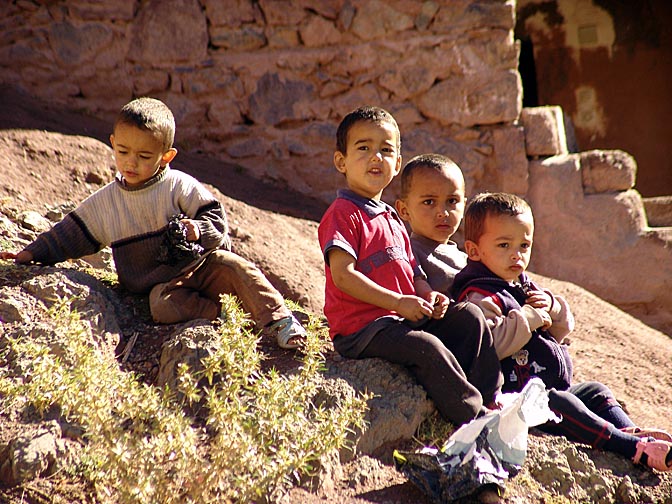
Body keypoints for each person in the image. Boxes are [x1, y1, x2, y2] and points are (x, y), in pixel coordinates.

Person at [396, 171, 672, 472]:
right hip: (518, 399)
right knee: (559, 404)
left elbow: (564, 328)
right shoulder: (478, 294)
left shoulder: (521, 284)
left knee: (595, 391)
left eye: (523, 246)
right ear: (474, 251)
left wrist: (553, 308)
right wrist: (525, 318)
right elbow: (489, 346)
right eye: (504, 246)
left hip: (551, 384)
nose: (516, 255)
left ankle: (629, 430)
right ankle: (629, 447)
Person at [0, 97, 305, 349]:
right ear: (112, 144)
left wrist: (197, 229)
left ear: (166, 156)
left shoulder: (180, 186)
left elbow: (216, 220)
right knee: (162, 308)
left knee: (236, 267)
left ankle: (280, 320)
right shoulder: (108, 202)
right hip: (163, 286)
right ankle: (224, 316)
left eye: (144, 155)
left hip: (203, 267)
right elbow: (69, 235)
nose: (131, 162)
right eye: (122, 152)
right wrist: (32, 253)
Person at [317, 106, 503, 428]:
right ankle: (474, 418)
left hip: (402, 317)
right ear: (341, 162)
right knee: (425, 347)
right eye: (364, 148)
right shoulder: (342, 213)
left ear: (397, 164)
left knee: (470, 317)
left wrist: (429, 295)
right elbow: (343, 276)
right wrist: (398, 302)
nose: (376, 157)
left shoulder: (392, 217)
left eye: (386, 150)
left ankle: (491, 397)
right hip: (363, 329)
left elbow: (412, 271)